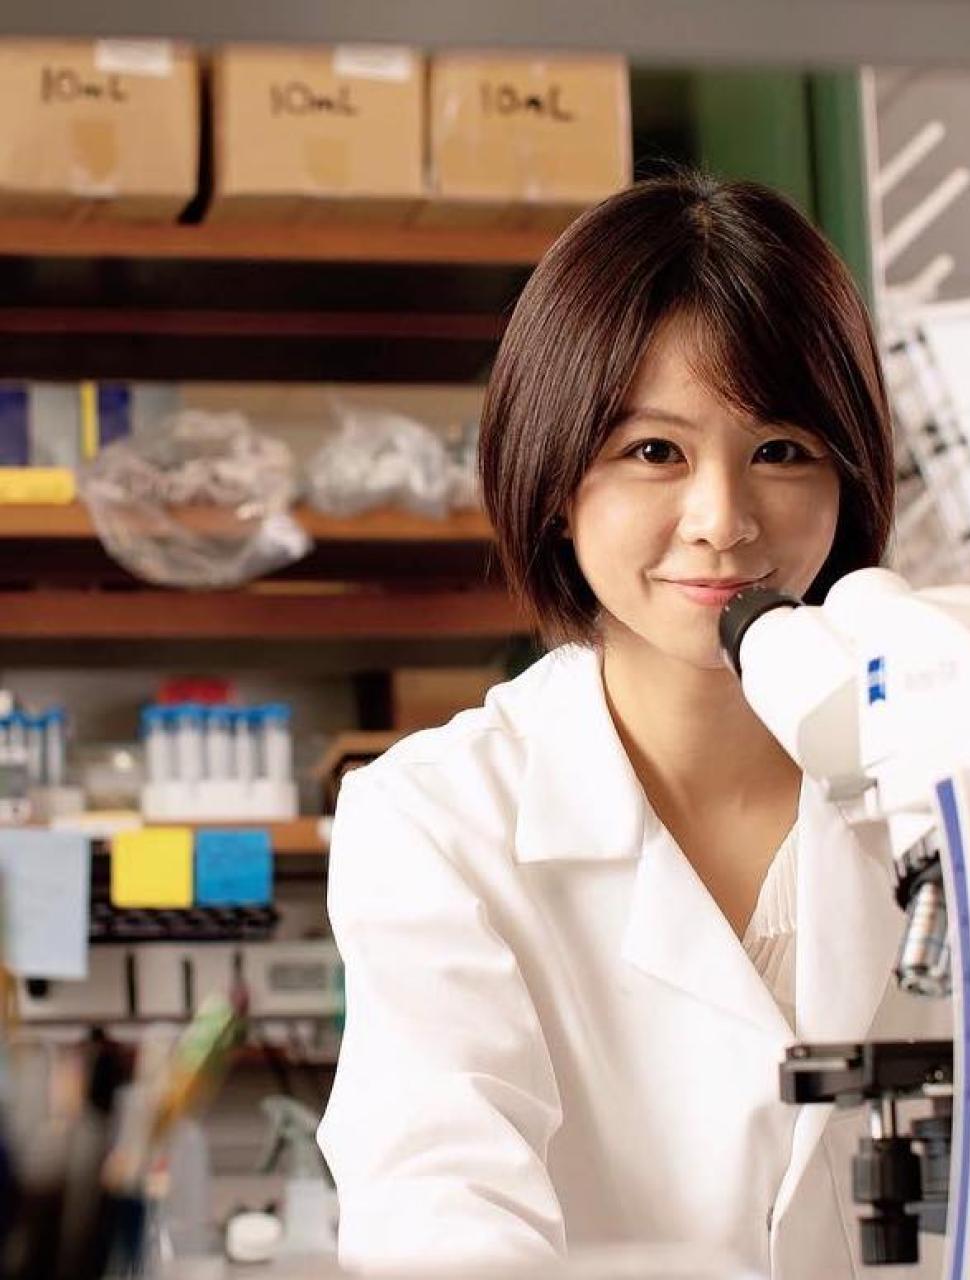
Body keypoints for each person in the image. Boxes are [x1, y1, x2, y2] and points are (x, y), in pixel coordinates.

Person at [317, 170, 908, 1278]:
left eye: (780, 448)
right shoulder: (439, 817)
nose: (723, 521)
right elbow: (441, 1216)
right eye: (654, 451)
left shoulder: (939, 774)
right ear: (554, 481)